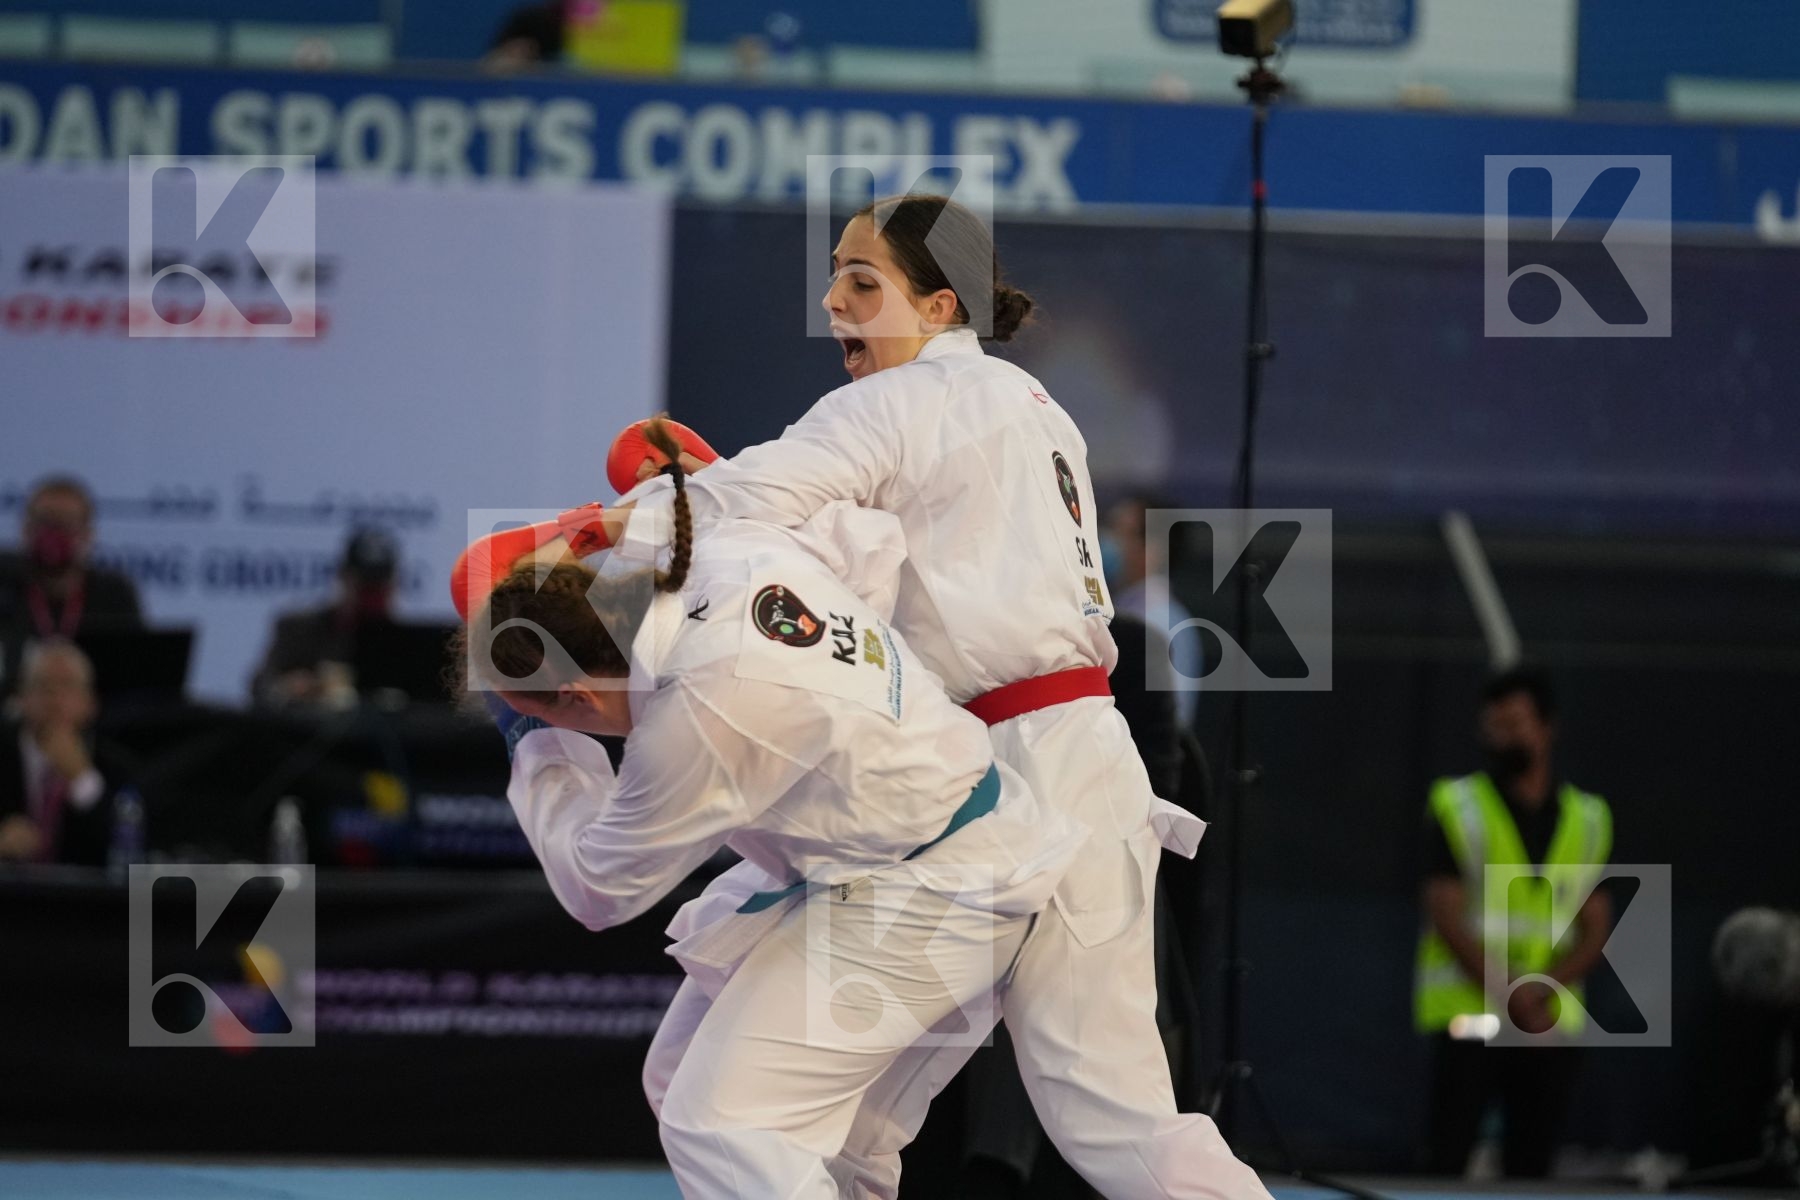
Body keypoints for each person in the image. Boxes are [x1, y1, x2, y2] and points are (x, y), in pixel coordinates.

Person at [604, 195, 1269, 1200]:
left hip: (974, 800)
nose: (833, 301)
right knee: (1119, 1123)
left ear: (939, 302)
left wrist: (602, 529)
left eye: (862, 282)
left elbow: (749, 502)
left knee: (727, 1100)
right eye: (834, 276)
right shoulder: (1038, 410)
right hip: (1083, 773)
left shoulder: (901, 403)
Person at [452, 423, 1084, 1197]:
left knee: (726, 1127)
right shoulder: (724, 552)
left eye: (556, 717)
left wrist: (534, 746)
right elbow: (867, 540)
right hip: (906, 857)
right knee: (722, 1095)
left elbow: (599, 887)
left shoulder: (699, 714)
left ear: (576, 696)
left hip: (933, 899)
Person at [1416, 663, 1614, 1178]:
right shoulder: (1456, 805)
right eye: (1493, 725)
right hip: (1472, 1015)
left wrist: (1543, 991)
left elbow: (1597, 920)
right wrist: (1512, 993)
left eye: (1515, 723)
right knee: (1447, 1161)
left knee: (1534, 1167)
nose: (1501, 736)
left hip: (1549, 1022)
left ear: (1547, 728)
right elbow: (1444, 910)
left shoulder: (1589, 817)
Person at [0, 475, 143, 697]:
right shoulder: (6, 585)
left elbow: (135, 680)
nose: (53, 534)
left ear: (88, 535)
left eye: (65, 524)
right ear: (25, 529)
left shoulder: (114, 594)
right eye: (44, 522)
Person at [0, 639, 135, 866]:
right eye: (43, 685)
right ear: (21, 699)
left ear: (90, 704)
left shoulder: (115, 764)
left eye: (67, 685)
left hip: (84, 898)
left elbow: (127, 848)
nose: (54, 698)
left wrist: (83, 779)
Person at [251, 527, 399, 707]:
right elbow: (260, 686)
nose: (371, 595)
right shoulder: (299, 629)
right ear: (343, 577)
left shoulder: (406, 645)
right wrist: (289, 688)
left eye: (379, 586)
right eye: (364, 586)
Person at [1103, 491, 1201, 727]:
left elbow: (1166, 722)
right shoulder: (1117, 609)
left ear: (1152, 549)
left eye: (1119, 533)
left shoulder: (1163, 623)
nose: (1105, 542)